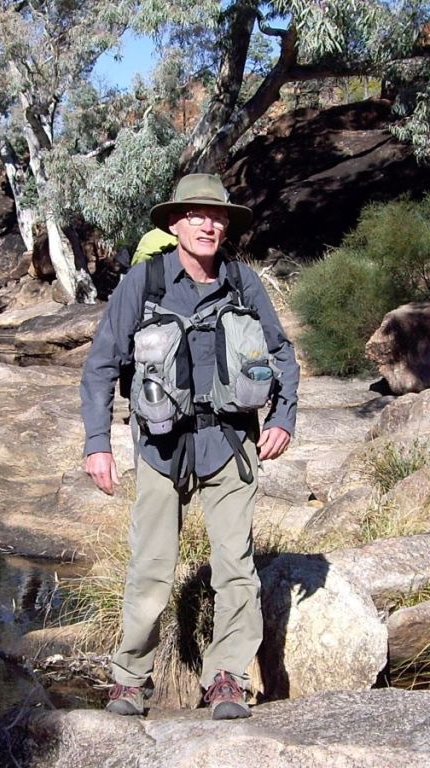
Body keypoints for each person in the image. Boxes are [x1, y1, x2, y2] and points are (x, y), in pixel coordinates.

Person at [79, 173, 300, 720]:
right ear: (175, 224)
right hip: (159, 445)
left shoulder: (244, 284)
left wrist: (284, 417)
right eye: (197, 215)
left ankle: (225, 677)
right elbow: (102, 362)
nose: (209, 223)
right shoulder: (145, 282)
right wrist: (97, 442)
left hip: (230, 443)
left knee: (235, 564)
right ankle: (131, 678)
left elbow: (282, 353)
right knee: (151, 565)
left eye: (218, 215)